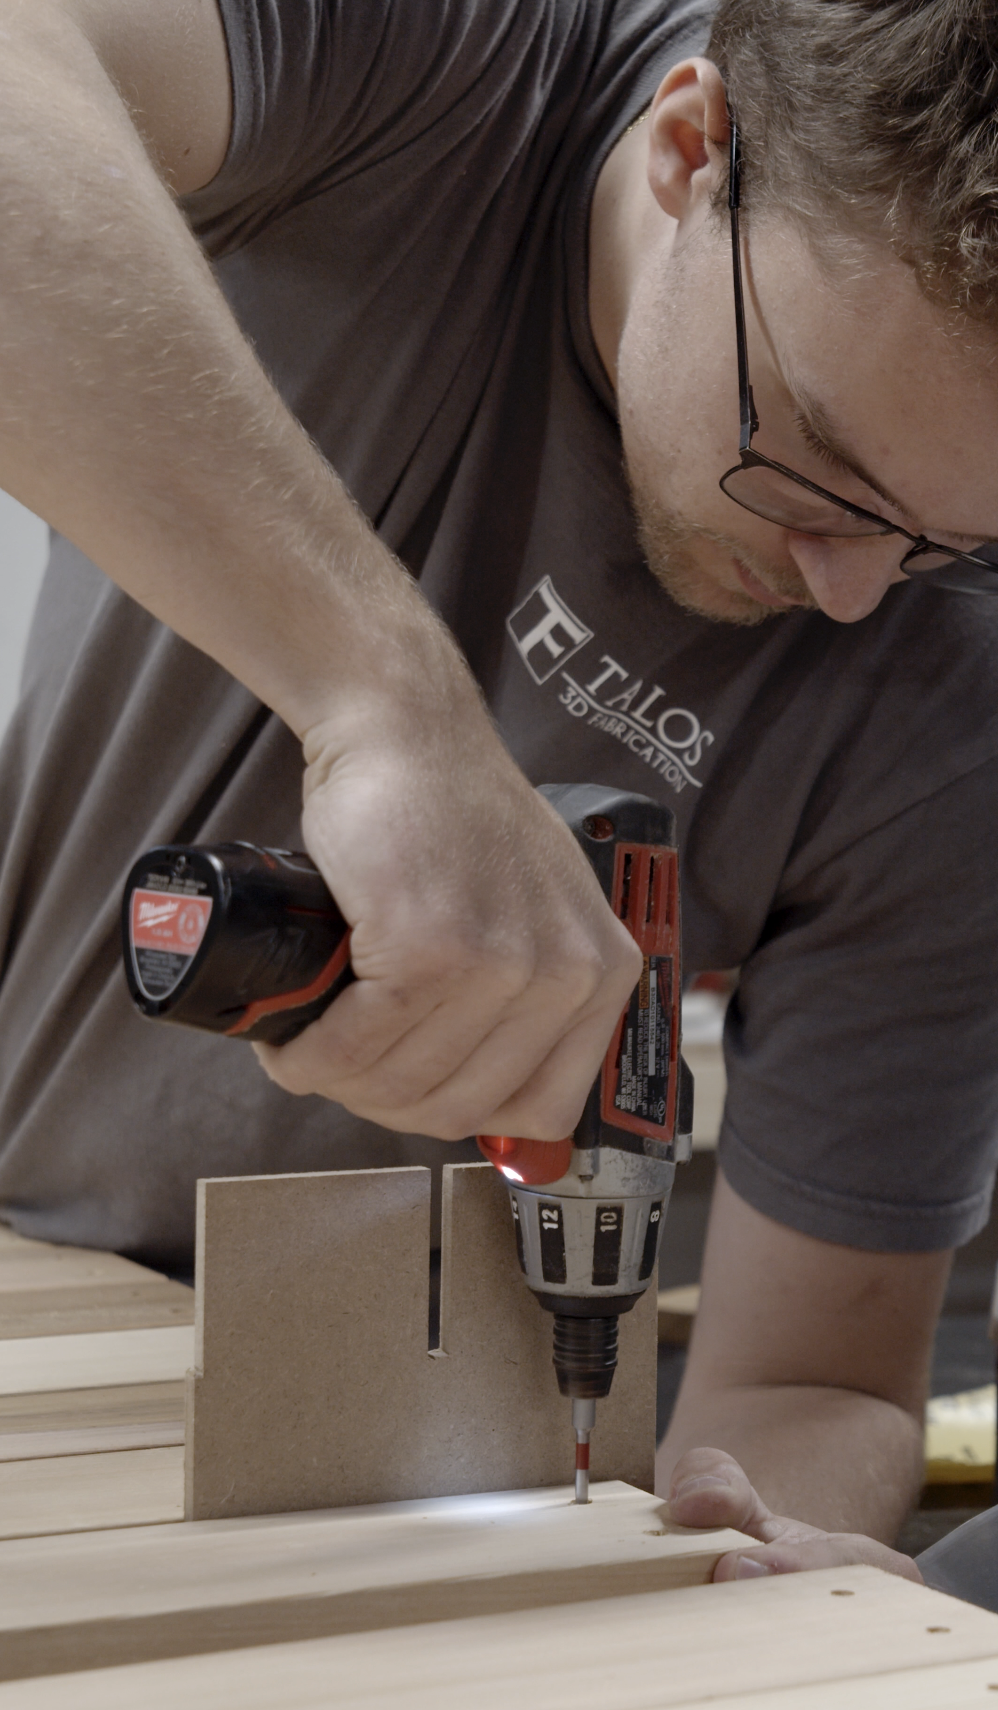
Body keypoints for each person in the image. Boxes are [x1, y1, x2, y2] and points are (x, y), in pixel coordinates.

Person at [0, 0, 997, 1574]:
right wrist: (384, 702)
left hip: (448, 1492)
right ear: (691, 150)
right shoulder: (436, 61)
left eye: (947, 536)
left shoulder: (956, 689)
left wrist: (761, 1550)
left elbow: (812, 1375)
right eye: (809, 459)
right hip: (24, 1296)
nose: (856, 587)